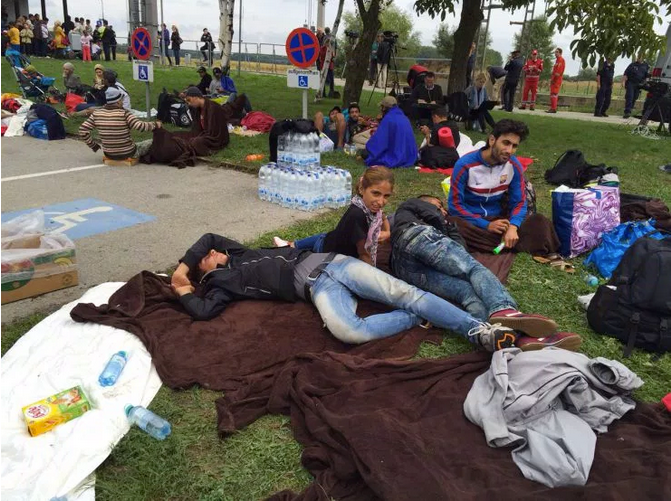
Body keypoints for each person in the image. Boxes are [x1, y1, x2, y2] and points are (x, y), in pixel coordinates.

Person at [171, 232, 519, 351]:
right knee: (347, 331)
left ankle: (479, 332)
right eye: (205, 259)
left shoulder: (238, 252)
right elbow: (203, 311)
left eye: (208, 252)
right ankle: (416, 317)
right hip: (314, 289)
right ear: (205, 274)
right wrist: (184, 291)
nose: (211, 253)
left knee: (404, 291)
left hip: (333, 263)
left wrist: (183, 267)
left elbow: (209, 237)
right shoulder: (220, 285)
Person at [390, 195, 581, 350]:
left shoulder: (447, 224)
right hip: (417, 238)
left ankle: (510, 337)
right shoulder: (411, 206)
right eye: (438, 205)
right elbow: (452, 244)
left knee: (466, 291)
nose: (443, 210)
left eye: (443, 207)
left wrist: (449, 229)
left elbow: (459, 249)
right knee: (474, 268)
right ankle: (504, 309)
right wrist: (444, 223)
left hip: (409, 271)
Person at [448, 119, 560, 256]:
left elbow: (519, 202)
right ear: (492, 140)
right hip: (472, 222)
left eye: (514, 146)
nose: (509, 150)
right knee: (453, 224)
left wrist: (513, 227)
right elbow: (455, 206)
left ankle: (505, 241)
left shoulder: (514, 165)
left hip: (500, 220)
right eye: (506, 143)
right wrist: (486, 225)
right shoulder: (464, 165)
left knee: (539, 221)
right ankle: (511, 244)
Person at [273, 166, 393, 266]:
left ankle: (291, 244)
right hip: (326, 250)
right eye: (376, 193)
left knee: (320, 237)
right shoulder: (357, 214)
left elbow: (383, 216)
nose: (381, 201)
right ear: (362, 189)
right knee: (298, 257)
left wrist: (387, 232)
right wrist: (374, 275)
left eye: (386, 196)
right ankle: (287, 247)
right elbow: (364, 253)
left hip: (329, 238)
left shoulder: (369, 206)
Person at [142, 86, 234, 166]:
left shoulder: (213, 108)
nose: (189, 103)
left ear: (196, 97)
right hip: (203, 133)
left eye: (189, 100)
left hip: (214, 138)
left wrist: (198, 137)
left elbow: (214, 132)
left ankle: (177, 148)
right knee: (177, 134)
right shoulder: (197, 109)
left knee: (196, 142)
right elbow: (197, 128)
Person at [79, 86, 159, 159]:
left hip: (108, 154)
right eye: (121, 100)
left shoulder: (96, 114)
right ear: (117, 102)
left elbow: (83, 130)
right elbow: (140, 126)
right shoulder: (124, 114)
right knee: (151, 141)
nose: (123, 102)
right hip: (128, 153)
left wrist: (93, 145)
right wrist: (155, 124)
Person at [364, 96, 418, 169]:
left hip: (395, 155)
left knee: (365, 153)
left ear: (384, 108)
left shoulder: (388, 119)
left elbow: (379, 142)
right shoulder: (404, 117)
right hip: (409, 155)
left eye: (381, 107)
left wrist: (369, 147)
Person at [622, 53, 649, 119]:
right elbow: (626, 73)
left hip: (639, 84)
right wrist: (623, 82)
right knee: (630, 97)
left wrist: (646, 83)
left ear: (643, 58)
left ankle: (630, 110)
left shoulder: (646, 66)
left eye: (640, 57)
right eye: (638, 57)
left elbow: (647, 76)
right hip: (631, 83)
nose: (638, 58)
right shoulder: (632, 65)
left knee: (635, 97)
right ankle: (627, 112)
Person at [546, 48, 565, 113]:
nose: (555, 53)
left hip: (556, 80)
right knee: (552, 94)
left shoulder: (561, 60)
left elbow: (558, 72)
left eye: (557, 52)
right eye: (555, 52)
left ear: (560, 53)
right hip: (554, 79)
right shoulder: (557, 60)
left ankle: (553, 108)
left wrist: (553, 80)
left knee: (554, 93)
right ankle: (552, 108)